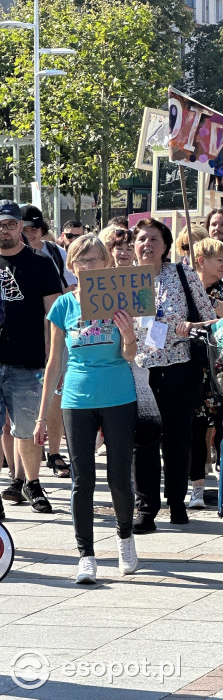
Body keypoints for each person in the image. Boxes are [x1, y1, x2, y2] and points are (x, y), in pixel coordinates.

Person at [33, 235, 138, 584]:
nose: (89, 267)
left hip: (118, 394)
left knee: (119, 477)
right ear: (72, 266)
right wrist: (41, 413)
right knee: (82, 481)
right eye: (82, 261)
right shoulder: (64, 306)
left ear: (107, 262)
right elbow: (53, 362)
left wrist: (128, 335)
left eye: (95, 260)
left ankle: (125, 536)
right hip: (77, 397)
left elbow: (129, 356)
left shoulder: (120, 298)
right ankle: (86, 554)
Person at [132, 218, 216, 531]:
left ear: (166, 245)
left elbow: (208, 322)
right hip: (141, 369)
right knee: (143, 440)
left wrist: (189, 327)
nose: (147, 245)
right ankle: (146, 508)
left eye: (154, 239)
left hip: (179, 367)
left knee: (178, 438)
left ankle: (177, 501)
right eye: (141, 239)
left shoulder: (183, 274)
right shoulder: (125, 280)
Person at [0, 200, 61, 516]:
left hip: (28, 360)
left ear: (20, 227)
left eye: (10, 224)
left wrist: (54, 359)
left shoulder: (40, 263)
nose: (4, 230)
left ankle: (31, 483)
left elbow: (54, 314)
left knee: (26, 428)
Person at [188, 238, 223, 508]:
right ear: (201, 261)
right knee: (196, 431)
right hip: (195, 368)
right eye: (218, 260)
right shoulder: (187, 288)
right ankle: (197, 487)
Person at [21, 204, 74, 479]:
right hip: (21, 336)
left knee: (55, 392)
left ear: (43, 230)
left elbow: (72, 288)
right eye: (25, 228)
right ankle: (22, 465)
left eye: (35, 229)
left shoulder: (56, 253)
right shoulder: (10, 255)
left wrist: (50, 294)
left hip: (54, 331)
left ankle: (54, 451)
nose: (30, 234)